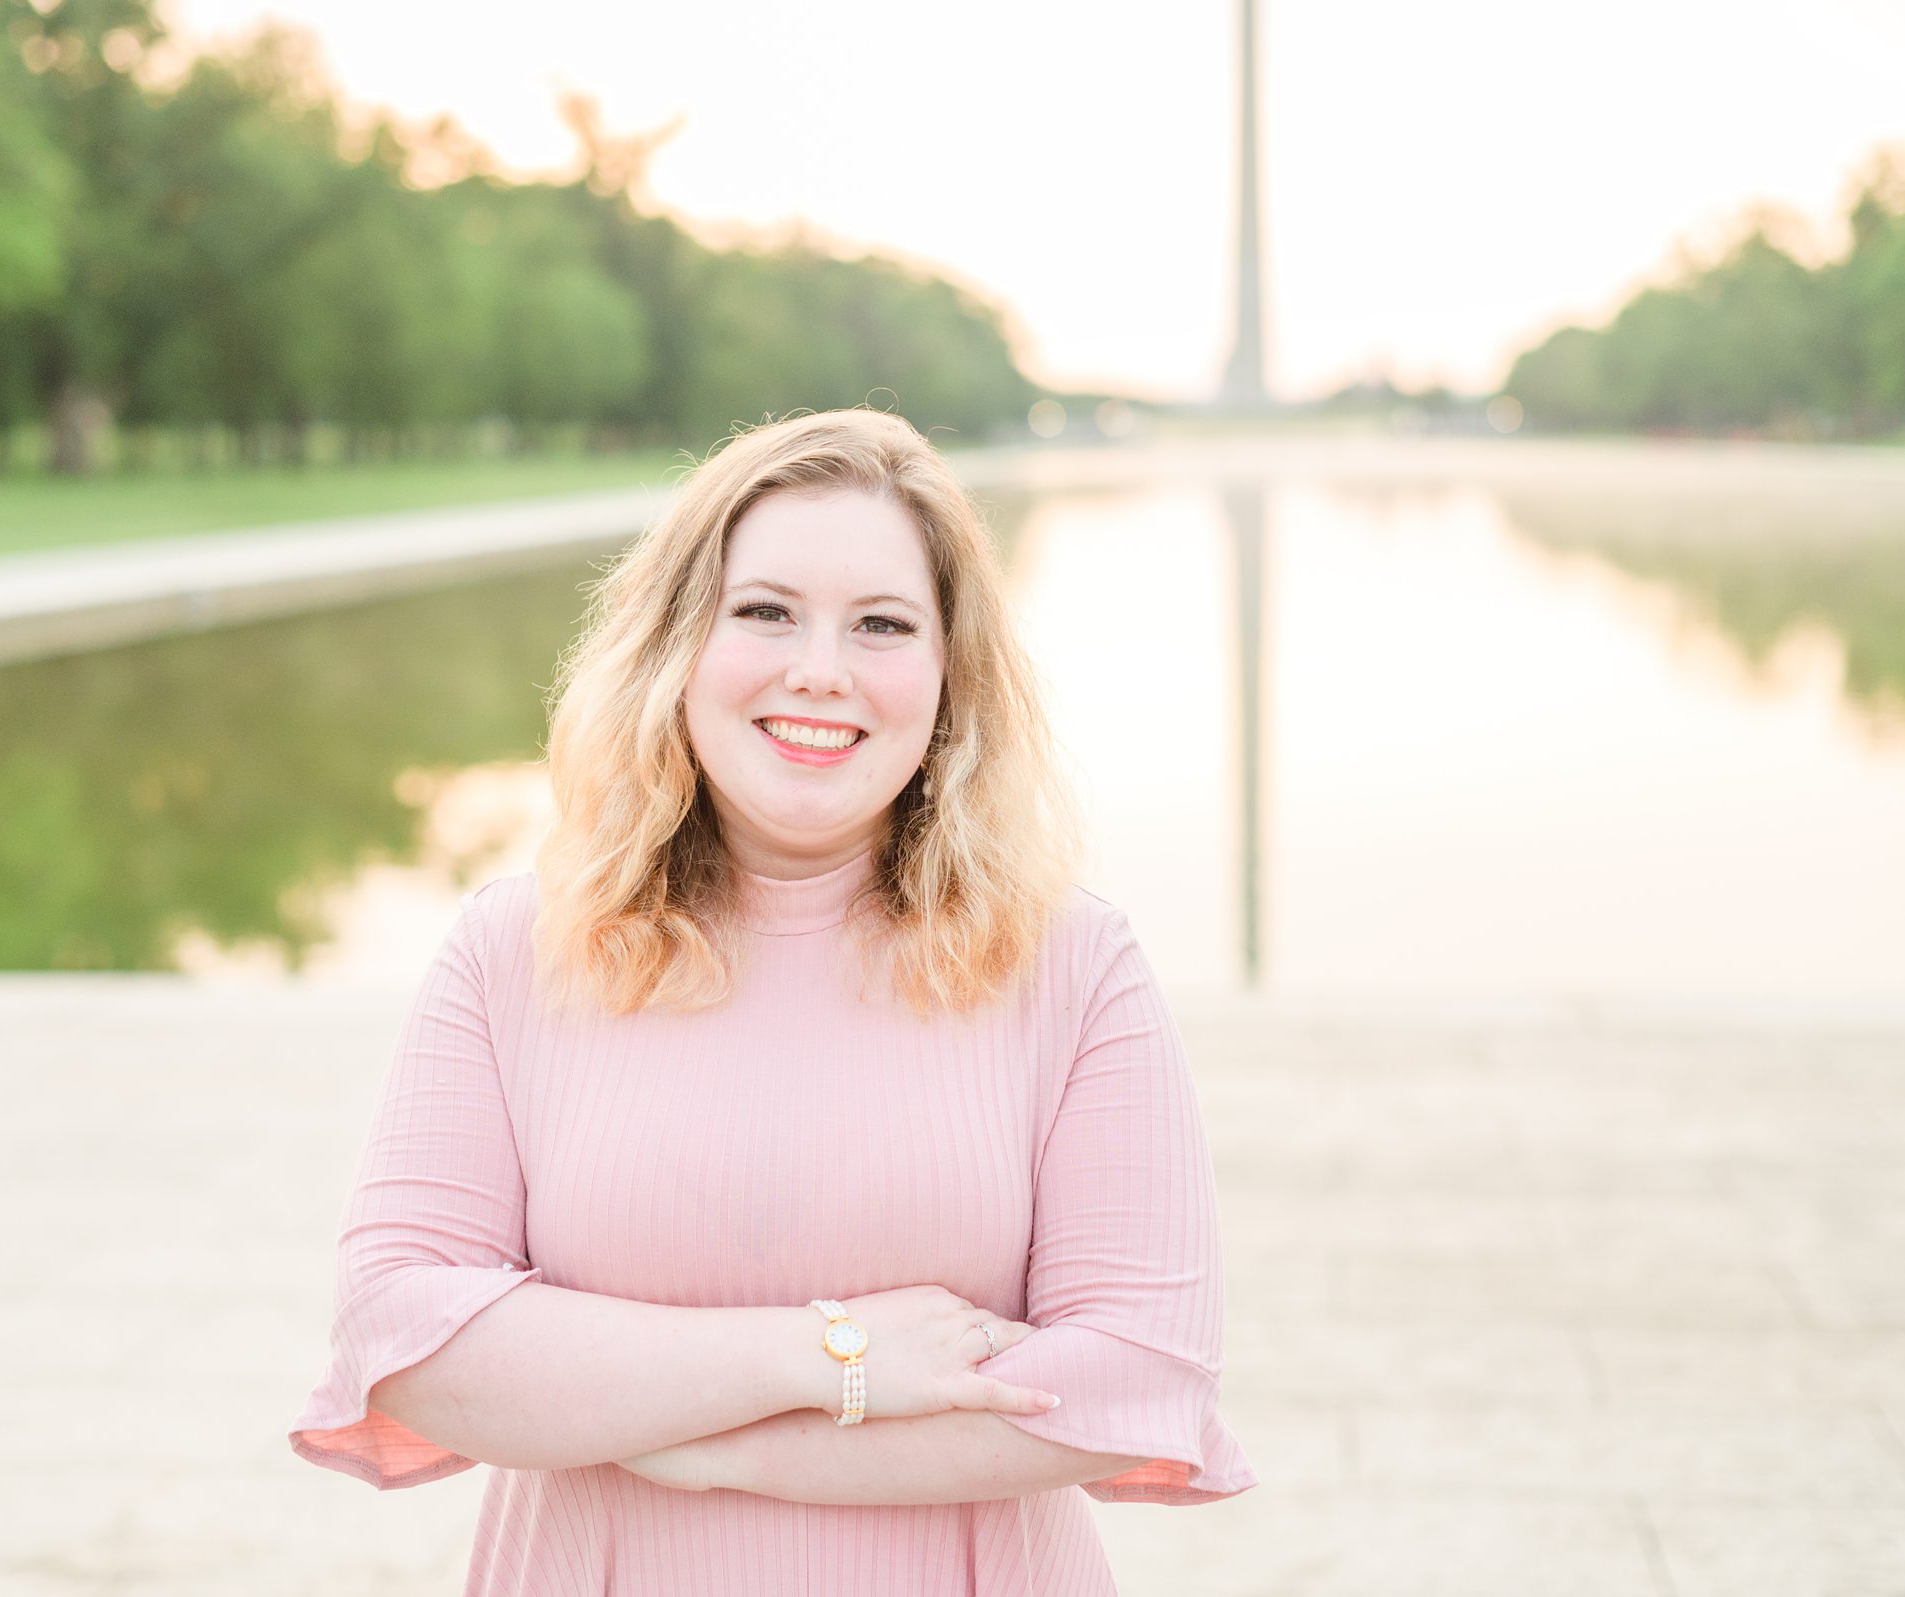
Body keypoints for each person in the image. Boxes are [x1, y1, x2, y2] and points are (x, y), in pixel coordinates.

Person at [287, 408, 1256, 1594]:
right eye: (766, 610)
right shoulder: (514, 948)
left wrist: (692, 1442)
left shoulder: (1073, 963)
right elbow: (404, 1337)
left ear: (951, 676)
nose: (820, 669)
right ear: (677, 642)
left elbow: (1133, 1376)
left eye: (883, 625)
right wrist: (839, 1355)